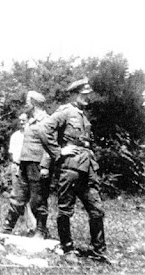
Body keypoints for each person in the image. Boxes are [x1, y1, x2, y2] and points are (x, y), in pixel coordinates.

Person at [38, 78, 108, 262]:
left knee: (97, 209)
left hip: (87, 167)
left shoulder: (83, 116)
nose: (87, 98)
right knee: (65, 209)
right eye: (83, 95)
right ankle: (67, 248)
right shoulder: (65, 112)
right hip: (69, 167)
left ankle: (99, 251)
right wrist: (58, 151)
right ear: (74, 94)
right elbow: (44, 129)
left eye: (88, 95)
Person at [2, 91, 52, 238]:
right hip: (24, 163)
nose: (26, 105)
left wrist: (45, 166)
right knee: (17, 196)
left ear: (34, 103)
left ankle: (40, 231)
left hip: (37, 165)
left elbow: (50, 146)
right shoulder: (30, 121)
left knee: (38, 200)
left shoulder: (47, 121)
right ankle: (7, 229)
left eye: (27, 102)